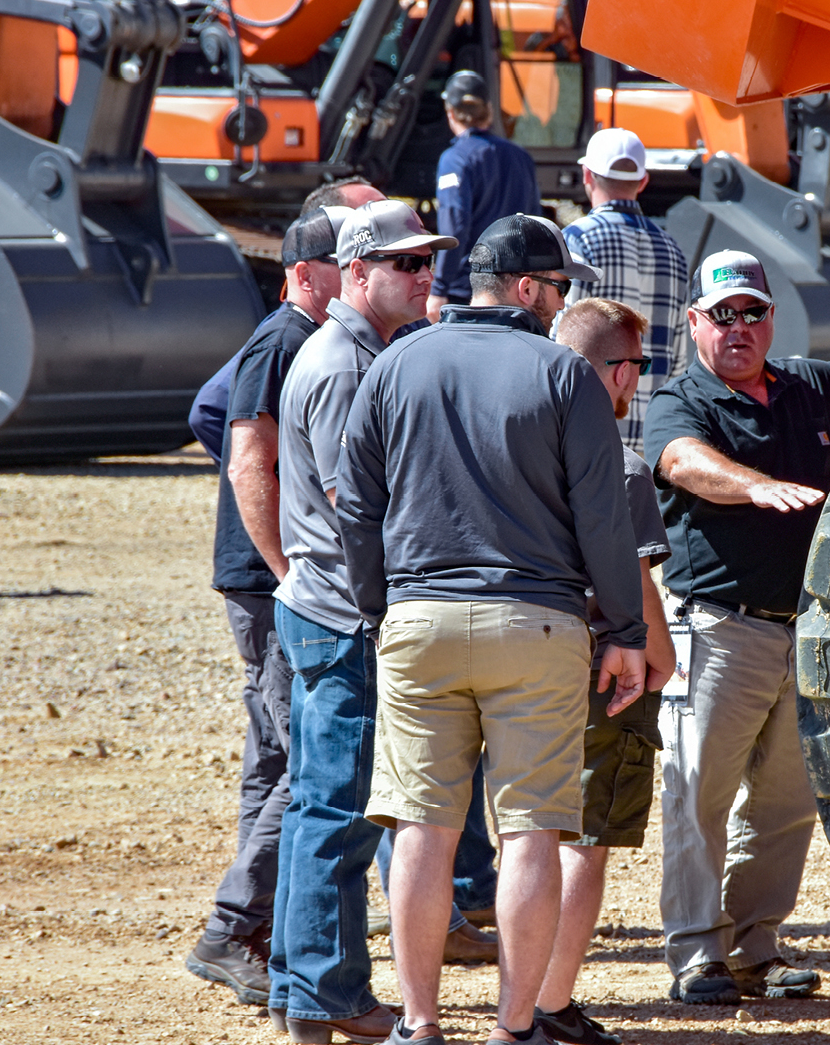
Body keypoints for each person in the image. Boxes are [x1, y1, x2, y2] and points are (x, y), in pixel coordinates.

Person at [335, 213, 646, 1045]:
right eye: (558, 288)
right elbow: (603, 517)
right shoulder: (562, 373)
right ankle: (515, 1028)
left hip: (419, 616)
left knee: (422, 831)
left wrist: (380, 605)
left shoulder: (398, 360)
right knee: (530, 829)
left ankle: (420, 1023)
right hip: (536, 622)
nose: (561, 303)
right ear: (525, 288)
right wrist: (624, 627)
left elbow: (356, 505)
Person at [643, 249, 830, 1004]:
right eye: (721, 315)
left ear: (771, 318)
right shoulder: (684, 398)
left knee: (784, 803)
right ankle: (695, 958)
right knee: (697, 794)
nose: (737, 328)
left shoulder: (806, 384)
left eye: (751, 312)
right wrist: (755, 487)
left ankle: (754, 946)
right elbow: (680, 462)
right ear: (695, 323)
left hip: (803, 632)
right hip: (718, 628)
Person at [266, 201, 458, 1044]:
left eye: (426, 261)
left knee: (324, 806)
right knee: (337, 813)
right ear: (356, 271)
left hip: (329, 605)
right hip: (344, 612)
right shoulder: (345, 364)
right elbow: (360, 507)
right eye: (405, 263)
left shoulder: (356, 351)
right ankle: (322, 995)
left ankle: (302, 986)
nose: (423, 275)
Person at [183, 189, 378, 1007]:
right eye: (349, 261)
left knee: (274, 759)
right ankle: (233, 926)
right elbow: (238, 452)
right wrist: (287, 564)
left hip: (272, 579)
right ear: (306, 271)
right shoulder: (286, 340)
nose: (362, 274)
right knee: (301, 764)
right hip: (271, 584)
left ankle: (254, 925)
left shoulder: (307, 338)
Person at [535, 299, 677, 1045]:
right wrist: (662, 652)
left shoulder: (519, 440)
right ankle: (550, 1002)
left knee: (526, 834)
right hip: (598, 667)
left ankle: (515, 1001)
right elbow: (634, 578)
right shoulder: (618, 463)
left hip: (520, 657)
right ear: (619, 371)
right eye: (639, 367)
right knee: (583, 839)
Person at [188, 175, 385, 462]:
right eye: (368, 219)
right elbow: (210, 410)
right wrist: (277, 479)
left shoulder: (389, 317)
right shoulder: (286, 341)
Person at [561, 128, 689, 454]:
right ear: (643, 181)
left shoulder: (577, 239)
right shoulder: (672, 249)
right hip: (649, 436)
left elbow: (563, 340)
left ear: (587, 174)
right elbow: (678, 358)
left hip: (588, 430)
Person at [426, 69, 542, 322]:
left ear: (450, 113)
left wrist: (438, 288)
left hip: (468, 291)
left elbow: (455, 224)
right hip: (515, 289)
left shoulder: (454, 159)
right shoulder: (521, 157)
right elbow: (534, 222)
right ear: (488, 111)